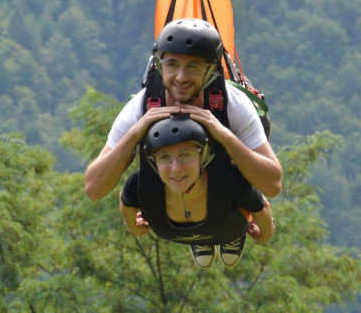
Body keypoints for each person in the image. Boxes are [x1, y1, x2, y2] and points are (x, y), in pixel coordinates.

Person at [84, 18, 282, 203]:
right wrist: (135, 132)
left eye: (193, 66)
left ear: (211, 71)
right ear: (159, 66)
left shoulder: (232, 104)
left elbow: (272, 186)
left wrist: (224, 135)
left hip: (221, 205)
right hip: (164, 211)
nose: (181, 77)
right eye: (172, 65)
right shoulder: (142, 106)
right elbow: (94, 190)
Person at [120, 115, 274, 267]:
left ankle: (219, 232)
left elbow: (260, 205)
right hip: (227, 223)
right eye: (165, 157)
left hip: (227, 219)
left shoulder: (233, 183)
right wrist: (264, 234)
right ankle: (208, 233)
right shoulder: (142, 186)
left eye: (185, 155)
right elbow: (126, 198)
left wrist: (133, 226)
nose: (176, 169)